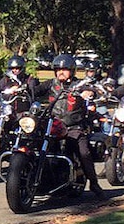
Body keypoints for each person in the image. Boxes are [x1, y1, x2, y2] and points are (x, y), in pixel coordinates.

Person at [33, 54, 105, 199]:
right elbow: (35, 90)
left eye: (64, 69)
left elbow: (92, 90)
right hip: (53, 124)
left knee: (84, 152)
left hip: (74, 126)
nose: (60, 72)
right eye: (58, 69)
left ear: (72, 71)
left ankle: (94, 183)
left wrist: (89, 92)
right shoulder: (51, 84)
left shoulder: (78, 85)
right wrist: (22, 90)